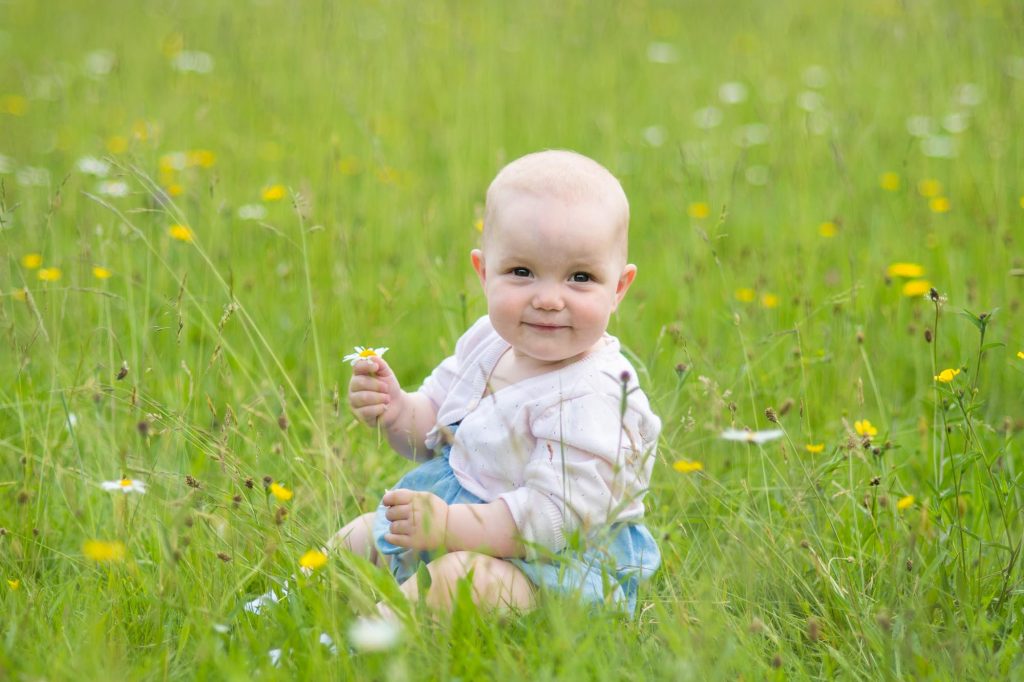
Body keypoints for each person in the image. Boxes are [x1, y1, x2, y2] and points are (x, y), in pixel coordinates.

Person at [333, 149, 661, 618]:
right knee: (361, 535)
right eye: (522, 272)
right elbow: (432, 431)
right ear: (484, 273)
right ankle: (279, 608)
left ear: (619, 289)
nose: (549, 299)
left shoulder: (596, 395)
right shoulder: (489, 341)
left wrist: (448, 526)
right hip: (458, 526)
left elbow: (550, 523)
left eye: (581, 277)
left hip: (549, 567)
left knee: (458, 581)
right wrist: (395, 409)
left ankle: (361, 647)